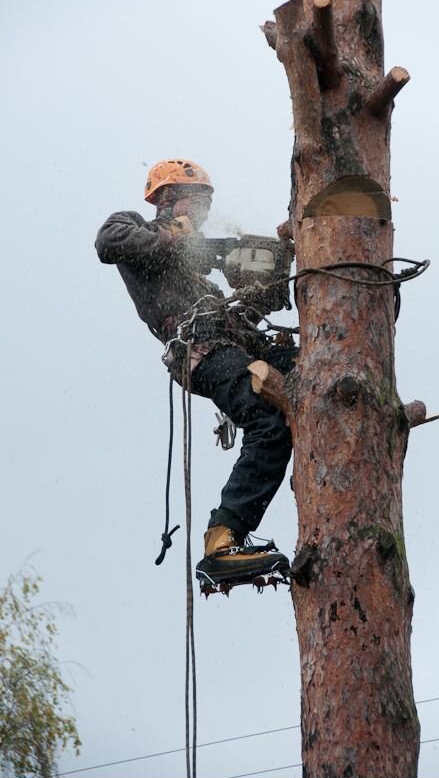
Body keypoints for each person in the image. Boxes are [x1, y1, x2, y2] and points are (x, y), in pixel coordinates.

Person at [95, 159, 295, 590]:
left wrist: (277, 258)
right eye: (198, 202)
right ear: (167, 199)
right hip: (198, 350)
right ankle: (222, 541)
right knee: (267, 422)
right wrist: (178, 237)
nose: (204, 212)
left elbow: (244, 313)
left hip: (226, 343)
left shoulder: (201, 283)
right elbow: (108, 241)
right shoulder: (133, 228)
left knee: (306, 368)